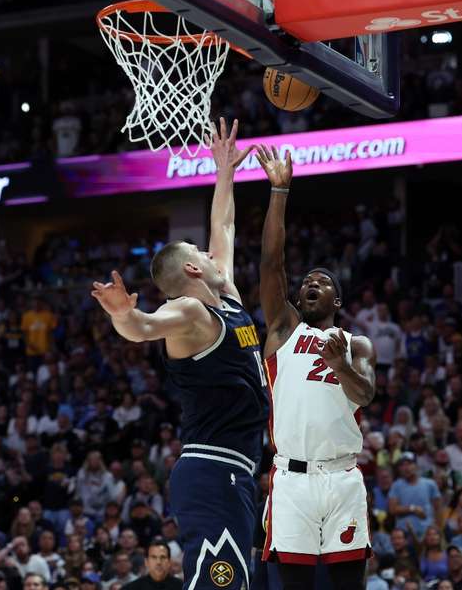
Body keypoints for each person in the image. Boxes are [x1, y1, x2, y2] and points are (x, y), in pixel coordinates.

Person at [91, 118, 265, 590]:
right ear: (193, 266)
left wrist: (224, 172)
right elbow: (144, 327)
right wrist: (122, 315)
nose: (213, 252)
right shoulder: (189, 311)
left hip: (238, 468)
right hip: (213, 467)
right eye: (202, 252)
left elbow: (224, 224)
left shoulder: (226, 296)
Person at [255, 143, 376, 590]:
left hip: (343, 477)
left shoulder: (357, 344)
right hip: (292, 478)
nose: (311, 284)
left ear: (337, 301)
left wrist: (339, 364)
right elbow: (271, 263)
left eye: (322, 283)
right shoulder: (284, 330)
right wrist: (279, 191)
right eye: (307, 281)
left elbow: (366, 396)